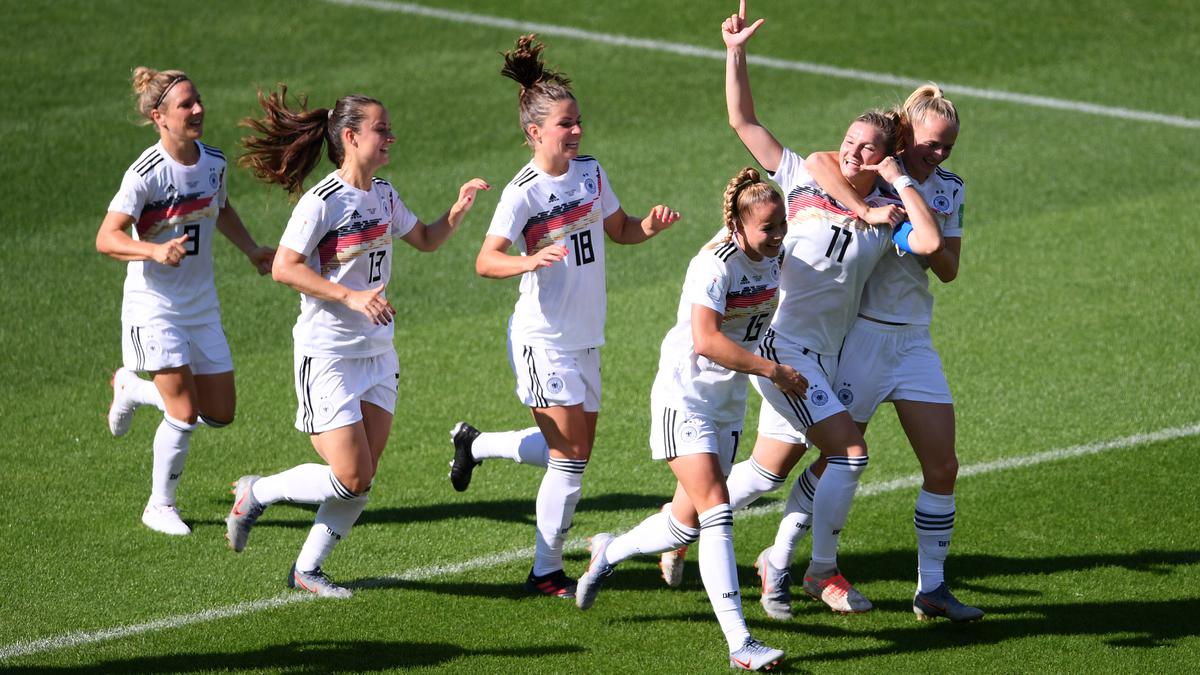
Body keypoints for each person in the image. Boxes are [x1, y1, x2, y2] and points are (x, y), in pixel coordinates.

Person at [666, 1, 944, 618]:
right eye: (851, 142)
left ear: (888, 155)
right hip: (777, 348)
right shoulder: (806, 176)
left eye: (869, 149)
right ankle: (819, 570)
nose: (852, 154)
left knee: (765, 475)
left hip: (822, 356)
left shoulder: (891, 217)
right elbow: (745, 120)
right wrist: (734, 52)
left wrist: (896, 184)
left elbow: (929, 246)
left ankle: (669, 532)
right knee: (848, 454)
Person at [226, 86, 488, 597]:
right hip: (328, 354)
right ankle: (258, 492)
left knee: (362, 480)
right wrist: (349, 296)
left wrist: (457, 211)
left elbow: (427, 240)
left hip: (377, 354)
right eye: (381, 130)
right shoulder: (321, 202)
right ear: (350, 137)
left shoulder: (384, 194)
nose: (391, 137)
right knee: (348, 474)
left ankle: (307, 571)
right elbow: (284, 267)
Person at [447, 34, 680, 599]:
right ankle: (546, 569)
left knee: (572, 452)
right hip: (541, 338)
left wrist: (648, 226)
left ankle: (473, 444)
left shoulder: (591, 173)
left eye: (578, 122)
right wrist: (530, 258)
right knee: (570, 463)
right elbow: (485, 261)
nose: (576, 131)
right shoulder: (522, 192)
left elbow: (618, 229)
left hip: (585, 336)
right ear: (535, 132)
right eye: (565, 125)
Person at [759, 83, 983, 622]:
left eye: (948, 146)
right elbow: (816, 160)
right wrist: (889, 194)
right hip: (859, 341)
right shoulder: (873, 184)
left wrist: (910, 191)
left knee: (943, 466)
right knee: (820, 459)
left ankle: (931, 587)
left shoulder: (947, 188)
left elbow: (947, 267)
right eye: (932, 143)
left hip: (913, 342)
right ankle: (782, 559)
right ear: (905, 136)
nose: (940, 154)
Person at [574, 167, 799, 671]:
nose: (779, 233)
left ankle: (608, 552)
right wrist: (773, 370)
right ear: (739, 226)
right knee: (718, 508)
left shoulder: (775, 254)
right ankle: (741, 642)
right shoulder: (713, 264)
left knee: (684, 525)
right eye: (769, 227)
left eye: (783, 223)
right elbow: (707, 341)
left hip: (728, 401)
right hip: (685, 397)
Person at [97, 67, 275, 536]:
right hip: (153, 306)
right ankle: (160, 505)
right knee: (183, 413)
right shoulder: (145, 174)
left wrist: (253, 249)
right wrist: (153, 249)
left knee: (220, 412)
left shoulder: (213, 162)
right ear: (159, 116)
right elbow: (107, 238)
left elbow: (222, 208)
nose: (197, 110)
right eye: (185, 105)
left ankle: (132, 389)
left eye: (198, 101)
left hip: (201, 306)